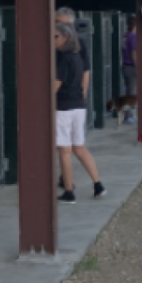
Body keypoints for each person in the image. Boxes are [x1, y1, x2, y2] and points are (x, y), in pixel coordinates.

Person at [54, 23, 105, 203]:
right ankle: (98, 184)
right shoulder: (77, 57)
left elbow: (55, 85)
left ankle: (69, 191)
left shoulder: (64, 59)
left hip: (63, 107)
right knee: (79, 147)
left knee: (64, 150)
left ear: (65, 38)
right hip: (78, 105)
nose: (53, 40)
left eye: (56, 37)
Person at [55, 8, 92, 107]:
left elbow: (86, 70)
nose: (57, 26)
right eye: (56, 22)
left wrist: (83, 94)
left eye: (61, 23)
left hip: (70, 99)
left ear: (71, 25)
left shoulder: (79, 43)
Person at [121, 16, 137, 124]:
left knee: (129, 91)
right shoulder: (133, 37)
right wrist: (137, 66)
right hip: (131, 67)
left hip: (125, 66)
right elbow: (134, 53)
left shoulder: (125, 36)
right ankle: (128, 116)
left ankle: (128, 115)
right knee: (131, 92)